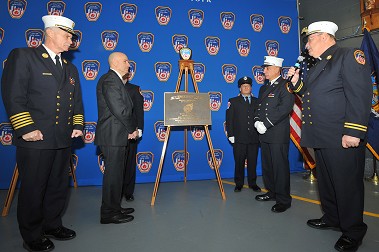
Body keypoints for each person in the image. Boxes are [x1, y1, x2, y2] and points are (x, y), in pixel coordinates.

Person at [1, 15, 84, 252]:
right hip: (35, 138)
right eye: (68, 36)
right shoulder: (25, 56)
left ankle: (52, 224)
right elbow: (13, 95)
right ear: (50, 33)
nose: (71, 41)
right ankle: (32, 235)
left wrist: (77, 124)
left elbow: (76, 101)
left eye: (71, 37)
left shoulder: (70, 68)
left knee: (58, 185)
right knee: (34, 188)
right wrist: (25, 129)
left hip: (62, 137)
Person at [287, 21, 372, 251]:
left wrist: (353, 131)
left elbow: (360, 94)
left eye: (310, 39)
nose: (307, 44)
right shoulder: (319, 65)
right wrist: (297, 85)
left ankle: (353, 230)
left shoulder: (348, 55)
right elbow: (313, 94)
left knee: (346, 185)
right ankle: (333, 218)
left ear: (324, 36)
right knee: (327, 183)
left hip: (341, 136)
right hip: (321, 135)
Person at [95, 52, 138, 224]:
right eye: (126, 61)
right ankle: (108, 214)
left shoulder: (115, 80)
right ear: (115, 62)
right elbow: (119, 109)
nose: (129, 64)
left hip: (117, 136)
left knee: (117, 175)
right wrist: (131, 129)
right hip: (112, 136)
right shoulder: (110, 80)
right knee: (113, 176)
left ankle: (115, 207)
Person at [254, 56, 295, 213]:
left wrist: (266, 123)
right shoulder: (263, 88)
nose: (264, 71)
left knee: (280, 168)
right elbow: (258, 108)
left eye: (267, 68)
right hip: (264, 134)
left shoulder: (285, 85)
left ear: (277, 69)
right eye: (264, 68)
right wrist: (257, 121)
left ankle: (284, 200)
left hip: (277, 134)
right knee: (268, 166)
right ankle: (271, 193)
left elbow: (285, 108)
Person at [226, 76, 261, 193]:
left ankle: (253, 183)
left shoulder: (258, 101)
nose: (246, 87)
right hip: (239, 138)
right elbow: (229, 120)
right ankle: (239, 184)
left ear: (251, 87)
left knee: (253, 162)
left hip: (254, 138)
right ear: (240, 88)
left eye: (248, 86)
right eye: (243, 86)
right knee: (239, 162)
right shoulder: (233, 101)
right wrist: (230, 134)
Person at [122, 73, 144, 202]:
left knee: (130, 163)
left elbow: (139, 111)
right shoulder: (109, 87)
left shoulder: (134, 89)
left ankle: (128, 192)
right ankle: (115, 191)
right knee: (115, 166)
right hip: (114, 133)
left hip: (132, 133)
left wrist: (139, 129)